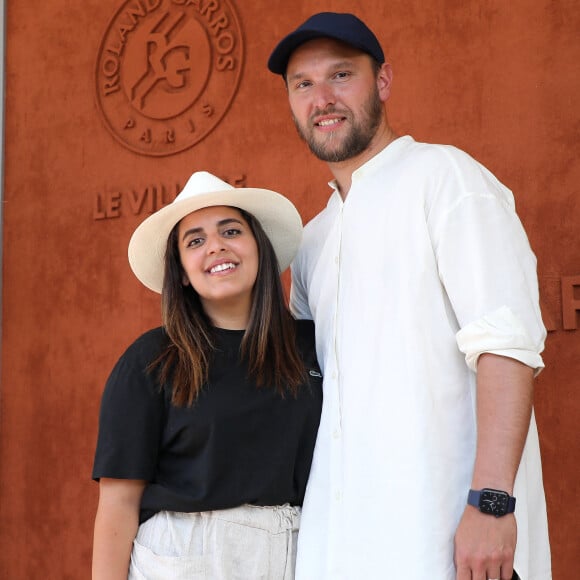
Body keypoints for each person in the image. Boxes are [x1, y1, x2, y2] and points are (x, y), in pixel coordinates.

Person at [267, 12, 551, 580]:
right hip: (342, 545)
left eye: (341, 75)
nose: (322, 98)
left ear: (383, 82)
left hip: (447, 532)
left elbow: (507, 344)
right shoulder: (314, 239)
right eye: (303, 84)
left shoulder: (445, 178)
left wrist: (492, 503)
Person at [91, 171, 323, 580]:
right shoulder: (152, 360)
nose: (215, 246)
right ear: (181, 271)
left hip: (295, 552)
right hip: (185, 558)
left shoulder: (311, 346)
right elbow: (118, 505)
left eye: (230, 230)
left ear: (258, 248)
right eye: (194, 241)